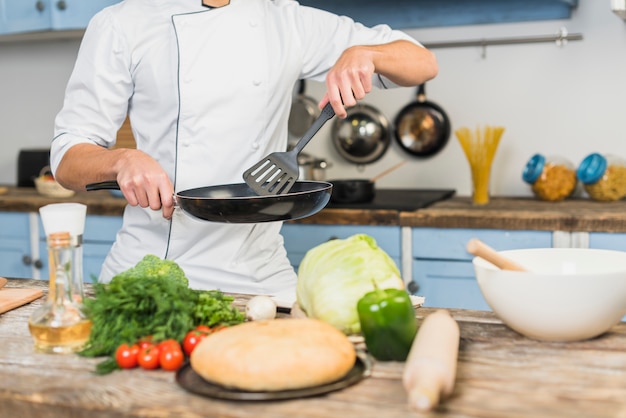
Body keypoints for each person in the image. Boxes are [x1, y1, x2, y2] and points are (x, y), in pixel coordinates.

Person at [50, 0, 438, 303]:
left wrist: (368, 54)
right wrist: (122, 160)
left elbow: (423, 62)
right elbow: (67, 158)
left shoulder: (285, 21)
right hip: (153, 271)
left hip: (262, 274)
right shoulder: (122, 24)